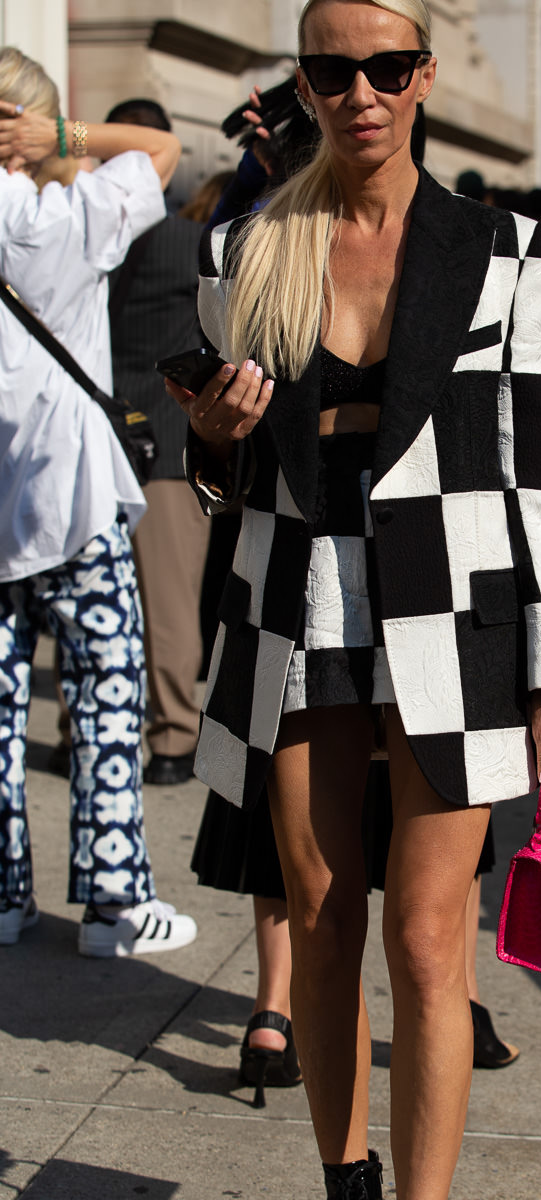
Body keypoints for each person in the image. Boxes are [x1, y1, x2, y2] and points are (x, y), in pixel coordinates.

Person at [166, 3, 541, 1197]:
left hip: (459, 608)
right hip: (297, 601)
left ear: (423, 74)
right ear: (303, 82)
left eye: (386, 66)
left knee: (424, 936)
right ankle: (341, 1177)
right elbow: (228, 471)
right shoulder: (243, 249)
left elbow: (537, 474)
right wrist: (211, 441)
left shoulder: (502, 250)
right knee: (318, 912)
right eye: (332, 68)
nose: (361, 90)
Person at [0, 48, 197, 956]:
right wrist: (64, 141)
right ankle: (114, 905)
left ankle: (4, 898)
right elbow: (161, 147)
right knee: (107, 695)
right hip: (71, 499)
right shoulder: (64, 218)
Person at [105, 97, 231, 787]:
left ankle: (79, 730)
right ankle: (174, 741)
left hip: (93, 443)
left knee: (89, 595)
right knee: (172, 603)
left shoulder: (83, 233)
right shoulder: (191, 244)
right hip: (169, 438)